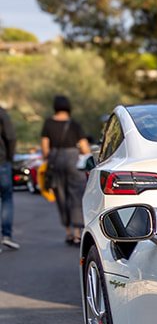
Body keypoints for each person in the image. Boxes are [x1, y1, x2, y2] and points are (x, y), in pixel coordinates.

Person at [40, 94, 90, 245]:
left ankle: (68, 232)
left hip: (55, 161)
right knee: (76, 194)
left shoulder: (48, 123)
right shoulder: (75, 124)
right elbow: (85, 148)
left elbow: (45, 148)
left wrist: (51, 157)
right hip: (73, 160)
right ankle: (77, 233)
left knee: (60, 195)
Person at [0, 100, 18, 251]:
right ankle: (6, 236)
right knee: (6, 198)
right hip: (1, 161)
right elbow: (11, 137)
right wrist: (10, 158)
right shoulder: (1, 112)